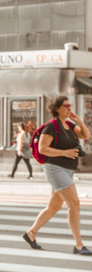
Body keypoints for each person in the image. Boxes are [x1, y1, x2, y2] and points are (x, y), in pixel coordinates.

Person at [23, 96, 92, 255]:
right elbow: (42, 149)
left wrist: (79, 121)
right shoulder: (51, 127)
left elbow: (86, 135)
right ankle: (79, 245)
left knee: (53, 207)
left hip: (67, 170)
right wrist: (64, 153)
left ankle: (31, 233)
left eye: (70, 105)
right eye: (66, 105)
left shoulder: (68, 125)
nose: (69, 108)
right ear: (57, 108)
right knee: (74, 204)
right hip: (55, 169)